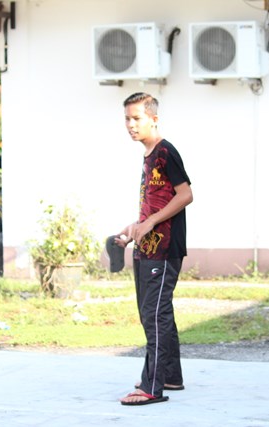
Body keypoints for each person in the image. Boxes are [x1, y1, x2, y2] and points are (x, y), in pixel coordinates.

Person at [115, 92, 193, 406]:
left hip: (164, 249)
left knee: (154, 315)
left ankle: (152, 387)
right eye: (127, 119)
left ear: (153, 119)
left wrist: (149, 223)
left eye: (137, 118)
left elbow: (185, 195)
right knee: (157, 313)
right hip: (147, 247)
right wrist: (135, 228)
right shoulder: (148, 155)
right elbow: (156, 204)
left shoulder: (165, 152)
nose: (131, 125)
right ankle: (171, 375)